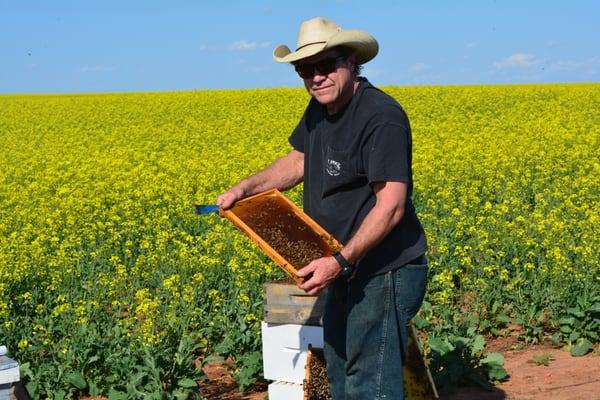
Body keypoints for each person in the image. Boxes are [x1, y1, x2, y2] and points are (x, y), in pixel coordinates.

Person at [217, 16, 428, 400]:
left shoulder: (381, 117)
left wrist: (340, 261)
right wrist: (245, 189)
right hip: (341, 266)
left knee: (371, 385)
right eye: (306, 70)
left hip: (382, 270)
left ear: (351, 62)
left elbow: (392, 206)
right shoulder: (319, 109)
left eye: (327, 65)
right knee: (341, 375)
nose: (317, 77)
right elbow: (298, 161)